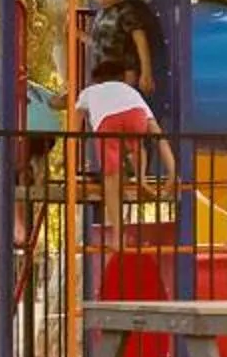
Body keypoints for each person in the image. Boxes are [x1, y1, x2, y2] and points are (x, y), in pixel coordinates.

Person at [72, 74, 171, 236]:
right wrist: (173, 174)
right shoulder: (130, 92)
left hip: (107, 123)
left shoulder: (87, 92)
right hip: (135, 115)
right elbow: (159, 138)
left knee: (111, 179)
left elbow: (72, 132)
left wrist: (69, 166)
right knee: (136, 147)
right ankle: (141, 178)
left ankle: (118, 236)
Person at [85, 0, 168, 95]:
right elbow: (98, 43)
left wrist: (146, 72)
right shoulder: (102, 14)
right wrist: (77, 34)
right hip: (104, 73)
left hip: (124, 73)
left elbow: (140, 39)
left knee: (121, 102)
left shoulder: (125, 10)